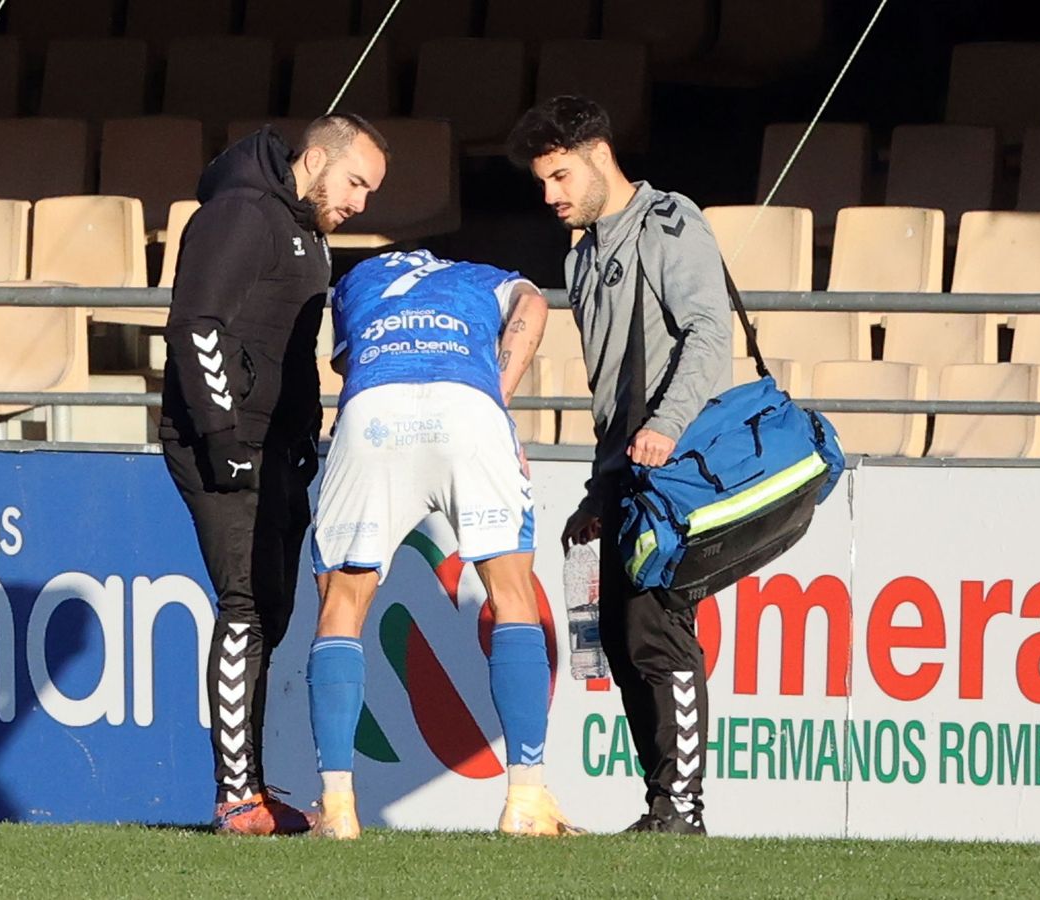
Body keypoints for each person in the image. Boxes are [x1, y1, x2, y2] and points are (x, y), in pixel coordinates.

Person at [506, 96, 733, 834]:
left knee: (658, 634)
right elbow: (614, 388)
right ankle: (661, 807)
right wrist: (600, 487)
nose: (551, 195)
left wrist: (666, 428)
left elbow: (708, 337)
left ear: (600, 154)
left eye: (561, 175)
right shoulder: (582, 252)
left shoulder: (670, 221)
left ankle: (684, 810)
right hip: (628, 472)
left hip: (676, 465)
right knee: (624, 636)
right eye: (543, 181)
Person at [161, 114, 388, 836]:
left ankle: (253, 789)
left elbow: (290, 347)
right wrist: (222, 432)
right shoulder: (240, 212)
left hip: (280, 447)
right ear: (316, 158)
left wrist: (305, 433)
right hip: (222, 442)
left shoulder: (308, 234)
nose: (359, 203)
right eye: (355, 182)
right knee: (246, 605)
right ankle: (236, 799)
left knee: (273, 613)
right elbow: (197, 324)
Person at [304, 249, 581, 839]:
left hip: (373, 413)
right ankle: (526, 801)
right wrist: (496, 400)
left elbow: (348, 365)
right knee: (511, 596)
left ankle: (336, 808)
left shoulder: (356, 280)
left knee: (342, 607)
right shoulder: (488, 276)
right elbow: (535, 304)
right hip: (469, 409)